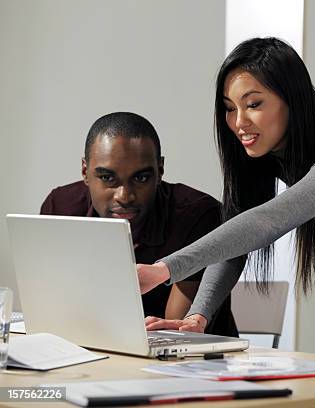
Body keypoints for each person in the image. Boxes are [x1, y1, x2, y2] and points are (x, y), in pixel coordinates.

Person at [138, 37, 315, 357]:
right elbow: (240, 235)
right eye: (229, 107)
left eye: (253, 104)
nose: (239, 122)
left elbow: (268, 220)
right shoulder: (265, 148)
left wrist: (164, 269)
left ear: (292, 99)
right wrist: (198, 316)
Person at [41, 112, 238, 337]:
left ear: (160, 170)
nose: (125, 196)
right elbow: (52, 310)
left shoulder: (198, 215)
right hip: (90, 354)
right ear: (85, 171)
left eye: (141, 178)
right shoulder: (60, 208)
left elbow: (175, 334)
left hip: (192, 364)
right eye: (107, 178)